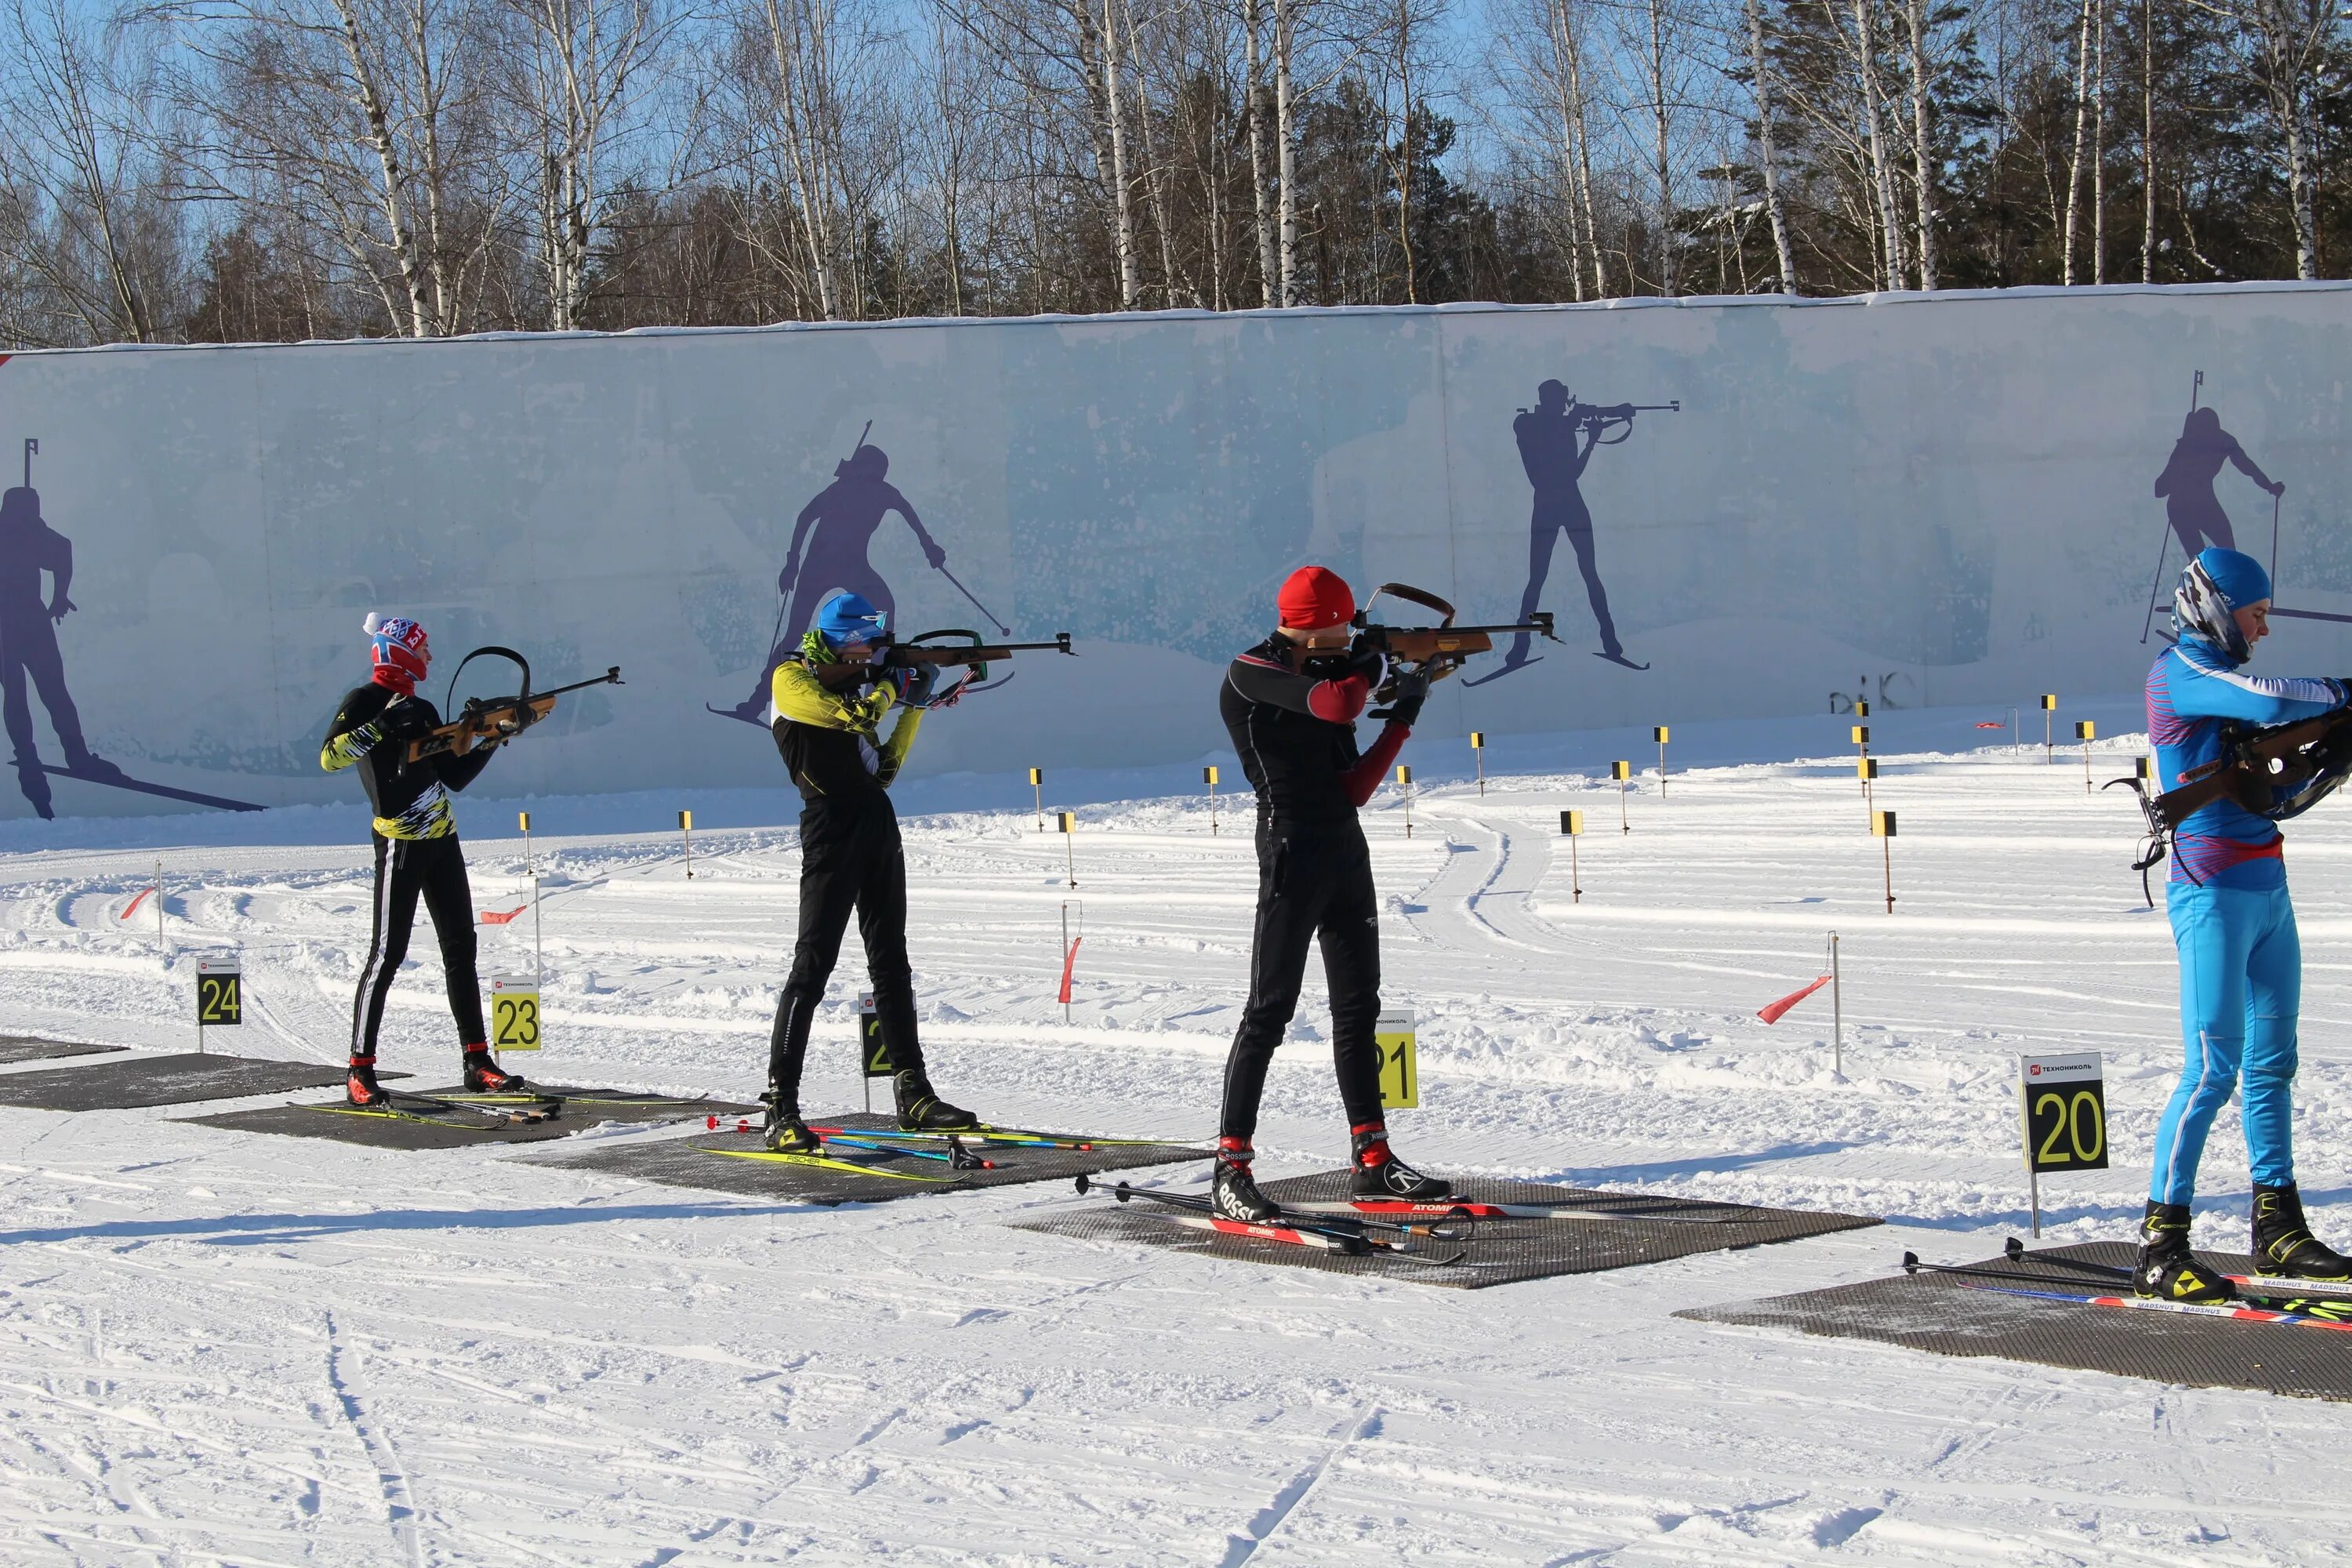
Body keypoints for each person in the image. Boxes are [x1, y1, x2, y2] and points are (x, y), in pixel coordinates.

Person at [2139, 546, 2351, 1300]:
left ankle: (2278, 1228)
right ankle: (2162, 1246)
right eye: (2255, 615)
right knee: (2211, 1071)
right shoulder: (2180, 672)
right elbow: (2265, 701)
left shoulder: (2217, 666)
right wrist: (2340, 690)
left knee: (2274, 1064)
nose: (2261, 631)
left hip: (2267, 886)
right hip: (2213, 893)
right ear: (2217, 608)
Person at [1210, 565, 1446, 1221]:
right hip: (1290, 846)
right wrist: (1376, 660)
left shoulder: (1328, 671)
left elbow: (1355, 788)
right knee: (1269, 1010)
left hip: (1344, 844)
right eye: (1345, 626)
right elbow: (1340, 703)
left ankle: (1372, 1160)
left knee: (1358, 1007)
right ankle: (1229, 1167)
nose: (1353, 634)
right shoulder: (1252, 671)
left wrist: (1405, 710)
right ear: (1315, 626)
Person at [760, 590, 972, 1151]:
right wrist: (891, 688)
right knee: (813, 965)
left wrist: (915, 707)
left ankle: (914, 1093)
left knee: (891, 960)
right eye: (860, 646)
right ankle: (780, 1106)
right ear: (832, 640)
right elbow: (853, 714)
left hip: (875, 821)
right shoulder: (792, 680)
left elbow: (883, 770)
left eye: (873, 647)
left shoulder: (856, 683)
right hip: (829, 828)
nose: (867, 655)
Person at [321, 614, 532, 1107]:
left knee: (462, 948)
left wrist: (494, 737)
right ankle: (358, 1069)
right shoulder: (363, 702)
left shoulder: (423, 706)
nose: (430, 658)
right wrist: (381, 725)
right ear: (398, 652)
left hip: (443, 837)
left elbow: (453, 776)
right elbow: (330, 757)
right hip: (400, 843)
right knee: (386, 955)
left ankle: (477, 1061)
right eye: (423, 649)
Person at [727, 442, 949, 722]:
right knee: (794, 634)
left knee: (883, 611)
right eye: (873, 472)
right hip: (818, 567)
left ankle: (875, 691)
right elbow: (805, 517)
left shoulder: (879, 492)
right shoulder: (841, 491)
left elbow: (910, 515)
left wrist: (929, 547)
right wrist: (792, 562)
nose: (874, 478)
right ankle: (757, 701)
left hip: (852, 566)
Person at [0, 477, 117, 818]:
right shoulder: (31, 533)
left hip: (28, 627)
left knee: (47, 695)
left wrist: (60, 595)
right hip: (14, 627)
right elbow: (62, 548)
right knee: (28, 697)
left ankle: (56, 760)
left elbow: (63, 547)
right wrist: (59, 594)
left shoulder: (33, 533)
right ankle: (35, 764)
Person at [1505, 380, 1624, 668]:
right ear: (1547, 401)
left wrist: (1591, 438)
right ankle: (1520, 648)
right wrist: (1583, 433)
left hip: (1565, 503)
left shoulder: (1559, 427)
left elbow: (1572, 473)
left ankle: (1610, 639)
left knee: (1587, 573)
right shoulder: (1528, 424)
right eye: (1559, 401)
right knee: (1539, 578)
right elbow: (1561, 463)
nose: (1563, 406)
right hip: (1554, 504)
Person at [2153, 405, 2282, 559]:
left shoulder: (2223, 442)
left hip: (2205, 503)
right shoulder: (2187, 447)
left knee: (2228, 552)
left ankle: (2229, 580)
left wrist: (2269, 486)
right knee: (2200, 560)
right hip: (2181, 508)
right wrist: (2182, 460)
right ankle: (2205, 579)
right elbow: (2159, 490)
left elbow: (2248, 467)